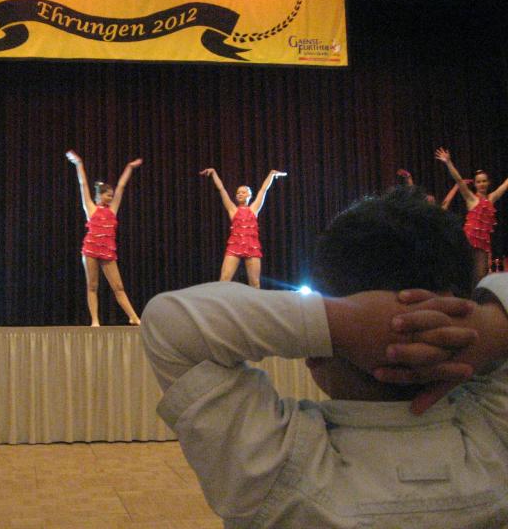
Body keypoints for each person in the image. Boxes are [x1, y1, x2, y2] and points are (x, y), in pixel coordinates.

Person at [142, 187, 508, 528]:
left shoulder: (273, 466)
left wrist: (343, 324)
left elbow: (168, 322)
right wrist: (484, 328)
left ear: (314, 352)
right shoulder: (495, 437)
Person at [66, 150, 142, 327]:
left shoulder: (112, 209)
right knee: (92, 286)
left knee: (118, 286)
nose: (111, 197)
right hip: (91, 250)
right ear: (100, 195)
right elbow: (83, 184)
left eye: (112, 195)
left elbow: (121, 186)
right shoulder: (91, 208)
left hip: (107, 251)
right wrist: (79, 164)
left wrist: (129, 168)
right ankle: (95, 320)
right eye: (108, 195)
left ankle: (134, 317)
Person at [199, 167, 286, 286]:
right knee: (224, 279)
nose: (239, 194)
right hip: (235, 245)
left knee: (255, 283)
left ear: (249, 195)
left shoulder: (254, 209)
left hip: (252, 246)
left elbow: (263, 190)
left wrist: (271, 174)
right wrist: (214, 173)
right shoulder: (233, 209)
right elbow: (221, 189)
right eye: (238, 193)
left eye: (243, 192)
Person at [435, 147, 508, 282]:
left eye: (484, 181)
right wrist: (448, 162)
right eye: (479, 182)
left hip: (483, 245)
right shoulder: (471, 199)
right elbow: (459, 180)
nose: (482, 184)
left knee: (481, 275)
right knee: (469, 274)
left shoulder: (491, 198)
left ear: (488, 183)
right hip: (469, 241)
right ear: (474, 184)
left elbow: (505, 185)